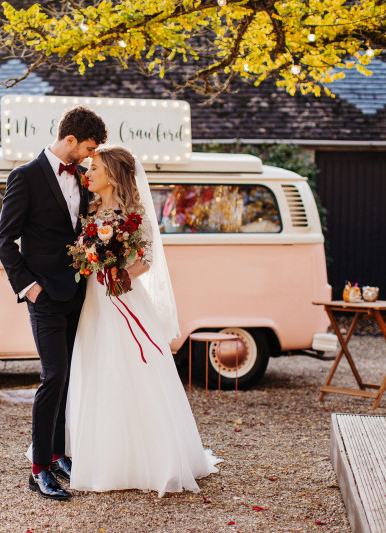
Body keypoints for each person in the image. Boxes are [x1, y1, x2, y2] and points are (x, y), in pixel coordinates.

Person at [66, 145, 221, 496]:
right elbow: (82, 253)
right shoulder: (88, 208)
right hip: (94, 298)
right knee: (97, 365)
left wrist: (123, 274)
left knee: (132, 366)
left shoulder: (135, 213)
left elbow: (146, 258)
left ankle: (149, 457)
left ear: (113, 175)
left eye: (95, 169)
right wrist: (89, 262)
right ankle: (101, 453)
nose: (88, 174)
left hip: (123, 297)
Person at [0, 106, 108, 501]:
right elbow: (5, 241)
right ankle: (39, 469)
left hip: (78, 293)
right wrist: (29, 288)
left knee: (70, 375)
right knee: (54, 376)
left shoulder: (82, 176)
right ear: (71, 140)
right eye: (89, 147)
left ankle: (60, 455)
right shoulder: (24, 177)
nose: (91, 156)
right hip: (43, 294)